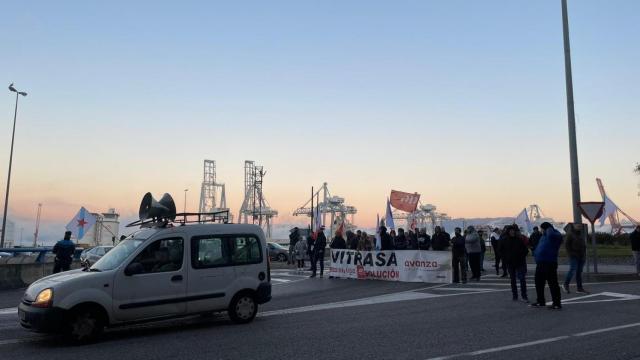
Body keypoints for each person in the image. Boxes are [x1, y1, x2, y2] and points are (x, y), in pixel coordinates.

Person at [531, 222, 563, 310]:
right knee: (538, 283)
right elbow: (540, 247)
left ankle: (557, 303)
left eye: (541, 229)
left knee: (553, 284)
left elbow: (553, 236)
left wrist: (549, 229)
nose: (540, 230)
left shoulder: (554, 235)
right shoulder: (543, 237)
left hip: (550, 263)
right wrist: (534, 252)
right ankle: (540, 301)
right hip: (541, 263)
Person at [501, 226, 529, 302]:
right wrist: (506, 258)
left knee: (522, 279)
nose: (512, 232)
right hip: (510, 263)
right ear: (508, 232)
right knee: (513, 280)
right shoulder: (504, 240)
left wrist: (521, 257)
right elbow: (500, 251)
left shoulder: (519, 240)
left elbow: (526, 250)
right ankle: (515, 295)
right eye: (510, 231)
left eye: (513, 230)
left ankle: (524, 296)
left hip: (520, 262)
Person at [563, 224, 588, 294]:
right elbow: (567, 245)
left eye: (580, 226)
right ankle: (565, 284)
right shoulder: (570, 235)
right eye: (577, 225)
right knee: (573, 269)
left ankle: (579, 288)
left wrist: (584, 256)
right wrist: (571, 254)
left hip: (581, 257)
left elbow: (583, 246)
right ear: (573, 226)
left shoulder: (580, 235)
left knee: (579, 272)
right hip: (574, 256)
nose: (579, 226)